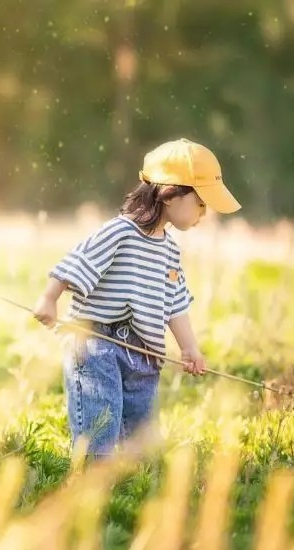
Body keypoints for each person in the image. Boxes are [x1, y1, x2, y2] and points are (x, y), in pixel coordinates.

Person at [32, 138, 242, 458]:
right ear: (170, 194)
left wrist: (189, 347)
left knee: (139, 434)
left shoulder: (169, 251)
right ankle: (93, 477)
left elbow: (175, 304)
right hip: (97, 341)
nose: (204, 213)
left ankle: (130, 479)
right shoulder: (120, 232)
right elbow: (77, 261)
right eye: (201, 203)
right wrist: (50, 298)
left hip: (143, 351)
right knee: (101, 421)